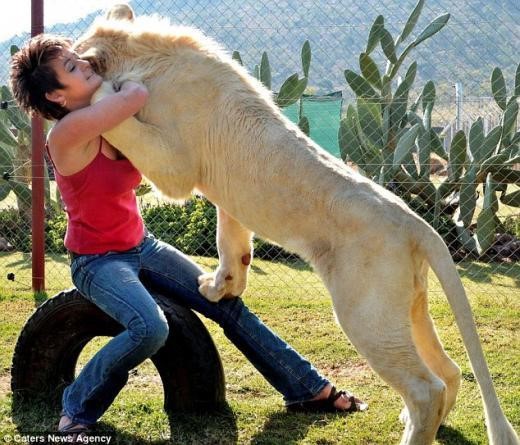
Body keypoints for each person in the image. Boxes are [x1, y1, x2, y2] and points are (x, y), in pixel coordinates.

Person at [10, 34, 367, 438]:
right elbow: (137, 93)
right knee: (151, 328)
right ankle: (76, 405)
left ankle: (308, 389)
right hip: (98, 261)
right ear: (56, 96)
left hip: (141, 246)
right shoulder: (68, 134)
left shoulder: (110, 119)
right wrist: (129, 78)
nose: (86, 64)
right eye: (72, 68)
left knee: (225, 298)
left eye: (78, 58)